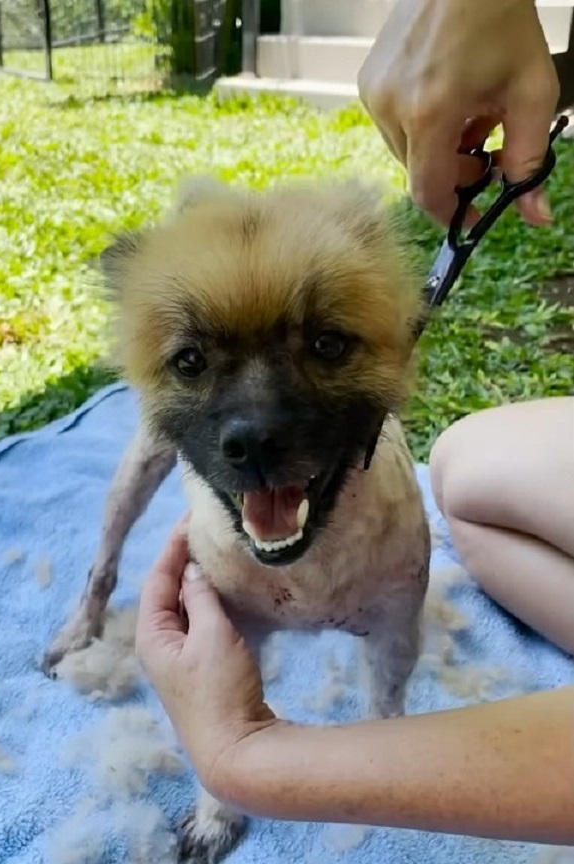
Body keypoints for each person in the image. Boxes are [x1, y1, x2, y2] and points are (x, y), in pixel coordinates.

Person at [135, 0, 574, 844]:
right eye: (194, 363)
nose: (253, 431)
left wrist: (238, 758)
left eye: (328, 345)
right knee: (465, 469)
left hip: (375, 554)